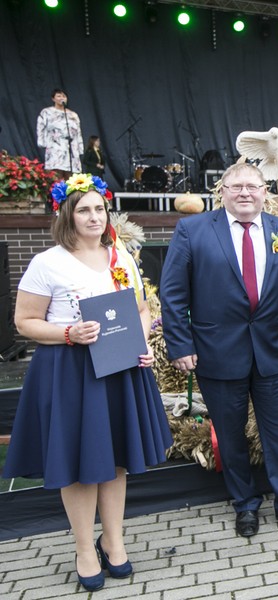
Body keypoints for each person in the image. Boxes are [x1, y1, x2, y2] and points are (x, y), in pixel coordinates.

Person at [2, 174, 171, 591]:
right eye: (84, 209)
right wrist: (67, 333)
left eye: (99, 208)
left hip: (119, 369)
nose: (94, 216)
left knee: (115, 459)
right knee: (80, 464)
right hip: (71, 372)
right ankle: (82, 548)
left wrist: (142, 341)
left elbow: (142, 309)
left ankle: (113, 540)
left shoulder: (121, 256)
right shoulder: (48, 262)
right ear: (68, 215)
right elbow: (24, 322)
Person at [161, 163, 278, 539]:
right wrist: (180, 344)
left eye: (253, 186)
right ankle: (245, 504)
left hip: (272, 351)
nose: (245, 193)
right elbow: (173, 294)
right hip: (216, 352)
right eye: (236, 187)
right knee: (231, 435)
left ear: (265, 191)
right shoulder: (193, 230)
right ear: (222, 191)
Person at [37, 89, 83, 177]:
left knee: (71, 177)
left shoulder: (73, 115)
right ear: (53, 99)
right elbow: (40, 128)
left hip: (70, 148)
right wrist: (42, 142)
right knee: (56, 176)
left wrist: (79, 148)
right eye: (59, 96)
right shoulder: (47, 112)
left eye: (64, 96)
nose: (62, 98)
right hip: (55, 146)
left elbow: (78, 132)